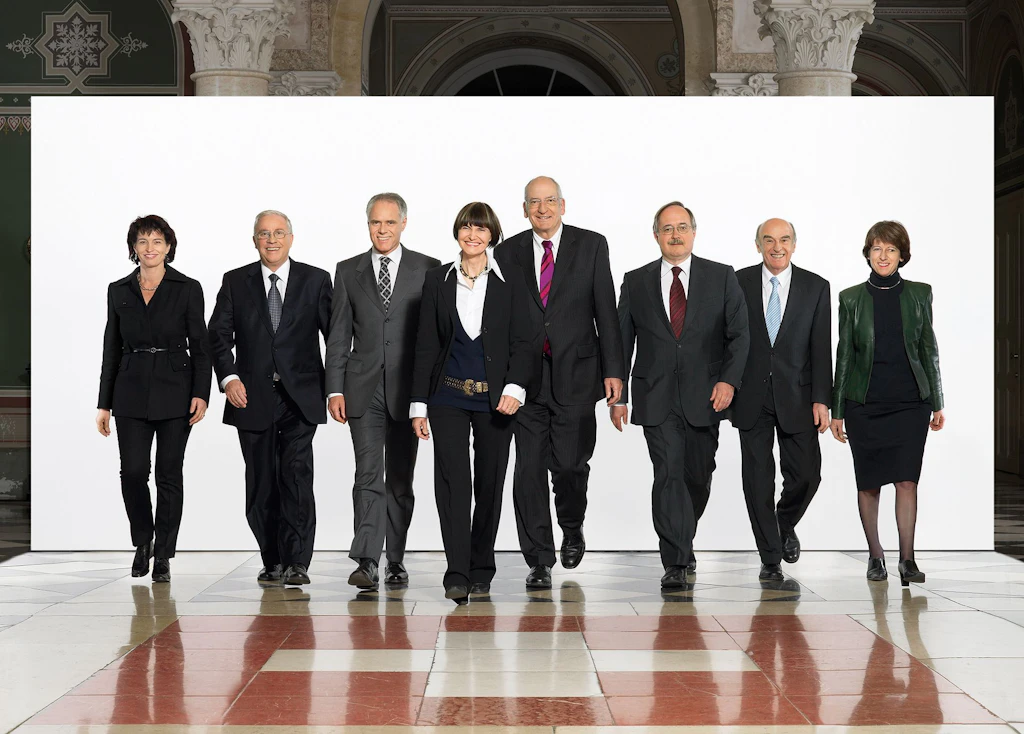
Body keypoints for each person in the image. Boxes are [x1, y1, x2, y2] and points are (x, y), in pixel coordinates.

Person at [493, 176, 624, 589]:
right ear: (524, 208)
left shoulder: (592, 244)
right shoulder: (507, 251)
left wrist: (614, 370)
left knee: (569, 464)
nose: (543, 209)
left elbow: (607, 309)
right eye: (535, 202)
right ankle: (539, 559)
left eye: (550, 201)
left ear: (563, 205)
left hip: (578, 373)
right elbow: (501, 318)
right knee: (528, 470)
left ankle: (571, 525)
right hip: (524, 379)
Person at [611, 202, 749, 589]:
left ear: (693, 232)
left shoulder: (721, 277)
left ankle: (682, 537)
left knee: (697, 478)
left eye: (682, 227)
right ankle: (676, 560)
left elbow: (740, 336)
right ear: (656, 235)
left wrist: (728, 381)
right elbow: (622, 342)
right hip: (655, 396)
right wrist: (618, 395)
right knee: (668, 474)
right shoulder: (635, 281)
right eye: (667, 228)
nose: (675, 235)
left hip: (706, 395)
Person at [410, 202, 537, 604]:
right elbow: (426, 344)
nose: (473, 235)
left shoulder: (512, 279)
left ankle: (482, 566)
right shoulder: (437, 280)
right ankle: (457, 572)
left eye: (481, 229)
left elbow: (526, 339)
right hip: (446, 396)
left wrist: (515, 388)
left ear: (492, 235)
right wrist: (418, 403)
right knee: (452, 484)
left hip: (497, 400)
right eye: (466, 227)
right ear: (457, 232)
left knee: (489, 483)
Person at [208, 210, 332, 586]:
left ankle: (298, 561)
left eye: (279, 233)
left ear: (291, 238)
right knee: (262, 483)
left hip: (301, 396)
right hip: (251, 396)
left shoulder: (316, 279)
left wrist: (338, 387)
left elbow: (336, 338)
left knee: (296, 477)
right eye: (264, 234)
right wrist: (229, 378)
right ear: (254, 240)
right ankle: (272, 558)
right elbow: (217, 336)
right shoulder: (235, 282)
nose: (272, 240)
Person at [325, 193, 440, 590]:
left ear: (404, 223)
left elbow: (435, 336)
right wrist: (334, 390)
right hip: (363, 388)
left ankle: (396, 559)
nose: (382, 230)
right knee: (367, 475)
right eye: (376, 223)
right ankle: (367, 559)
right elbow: (338, 335)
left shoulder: (428, 269)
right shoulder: (347, 270)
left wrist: (430, 392)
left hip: (409, 390)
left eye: (390, 223)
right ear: (367, 224)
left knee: (401, 481)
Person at [96, 214, 211, 582]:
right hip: (129, 391)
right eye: (143, 241)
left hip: (177, 391)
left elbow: (202, 347)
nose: (150, 248)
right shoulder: (118, 289)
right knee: (132, 473)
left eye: (157, 241)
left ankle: (163, 553)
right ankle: (142, 542)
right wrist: (104, 403)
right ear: (134, 248)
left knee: (168, 474)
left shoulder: (188, 287)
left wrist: (201, 394)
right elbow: (111, 349)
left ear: (169, 247)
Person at [830, 220, 945, 586]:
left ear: (901, 255)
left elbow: (929, 349)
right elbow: (844, 355)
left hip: (911, 403)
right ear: (868, 253)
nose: (884, 256)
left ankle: (907, 559)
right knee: (869, 484)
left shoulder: (919, 294)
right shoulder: (850, 298)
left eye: (891, 249)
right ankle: (876, 556)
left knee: (907, 480)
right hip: (865, 404)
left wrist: (937, 401)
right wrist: (838, 410)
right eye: (877, 248)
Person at [731, 219, 832, 581]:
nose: (777, 246)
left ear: (795, 244)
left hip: (800, 395)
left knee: (807, 475)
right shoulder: (737, 281)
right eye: (768, 240)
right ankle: (770, 556)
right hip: (750, 395)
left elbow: (821, 347)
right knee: (758, 480)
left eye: (784, 239)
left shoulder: (816, 287)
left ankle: (783, 523)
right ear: (757, 245)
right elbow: (725, 338)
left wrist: (823, 398)